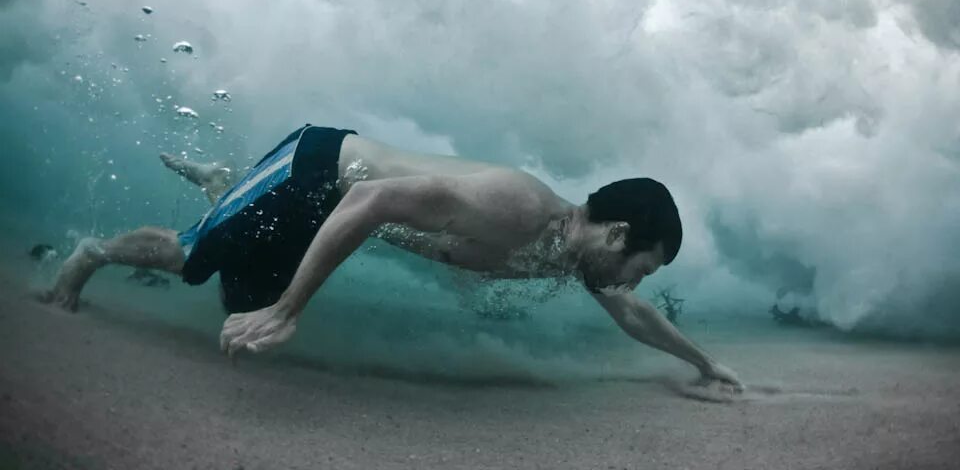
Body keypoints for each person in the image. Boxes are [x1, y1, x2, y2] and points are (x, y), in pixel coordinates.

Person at [41, 124, 743, 390]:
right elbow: (368, 204)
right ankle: (89, 255)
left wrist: (705, 365)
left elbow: (634, 316)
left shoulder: (569, 257)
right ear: (617, 236)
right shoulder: (519, 210)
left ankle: (226, 183)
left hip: (334, 205)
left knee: (232, 296)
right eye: (639, 267)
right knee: (193, 258)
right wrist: (289, 311)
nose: (629, 283)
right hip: (317, 172)